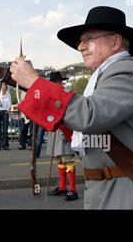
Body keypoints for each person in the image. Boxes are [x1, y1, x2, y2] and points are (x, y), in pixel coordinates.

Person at [10, 6, 133, 209]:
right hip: (116, 187)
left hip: (129, 192)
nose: (81, 47)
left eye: (89, 39)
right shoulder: (108, 74)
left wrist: (34, 83)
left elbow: (88, 116)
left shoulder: (126, 71)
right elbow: (86, 127)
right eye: (80, 41)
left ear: (115, 42)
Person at [45, 72, 79, 201]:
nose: (58, 84)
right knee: (59, 159)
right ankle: (63, 187)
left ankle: (73, 190)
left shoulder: (67, 93)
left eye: (59, 82)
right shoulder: (50, 95)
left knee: (67, 159)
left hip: (64, 129)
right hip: (55, 129)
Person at [0, 82, 12, 150]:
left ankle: (5, 145)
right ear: (0, 88)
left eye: (4, 87)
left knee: (5, 130)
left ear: (6, 88)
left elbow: (10, 104)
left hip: (5, 112)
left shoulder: (8, 95)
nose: (3, 88)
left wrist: (9, 109)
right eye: (2, 87)